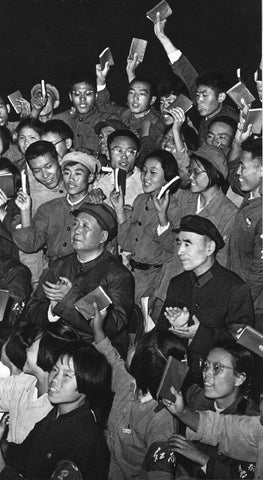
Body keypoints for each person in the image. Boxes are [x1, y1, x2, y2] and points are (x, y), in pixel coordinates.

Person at [23, 202, 135, 357]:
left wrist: (69, 299)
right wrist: (52, 310)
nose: (76, 230)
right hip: (56, 343)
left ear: (103, 237)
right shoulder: (59, 265)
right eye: (75, 224)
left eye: (85, 226)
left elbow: (113, 325)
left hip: (93, 352)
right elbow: (31, 309)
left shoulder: (118, 275)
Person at [92, 306, 186, 480]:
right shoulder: (129, 382)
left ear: (142, 369)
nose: (131, 345)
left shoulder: (162, 419)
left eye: (136, 346)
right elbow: (111, 359)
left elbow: (160, 472)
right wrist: (97, 328)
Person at [157, 215, 254, 382]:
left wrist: (200, 334)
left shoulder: (235, 288)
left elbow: (243, 347)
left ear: (209, 248)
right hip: (176, 375)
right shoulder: (177, 283)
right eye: (179, 243)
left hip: (215, 380)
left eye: (188, 244)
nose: (180, 251)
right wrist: (175, 324)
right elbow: (161, 332)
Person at [0, 341, 110, 480]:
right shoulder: (56, 415)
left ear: (87, 382)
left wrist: (2, 469)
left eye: (67, 376)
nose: (55, 379)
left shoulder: (82, 439)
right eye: (55, 369)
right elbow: (24, 454)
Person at [169, 342, 258, 479]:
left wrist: (203, 459)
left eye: (217, 368)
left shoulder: (251, 419)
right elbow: (167, 380)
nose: (207, 373)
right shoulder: (198, 397)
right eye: (206, 365)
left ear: (239, 378)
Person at [153, 13, 238, 144]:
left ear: (221, 97)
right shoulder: (204, 104)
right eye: (197, 95)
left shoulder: (228, 122)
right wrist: (161, 36)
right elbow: (185, 70)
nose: (198, 100)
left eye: (204, 95)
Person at [111, 149, 182, 303]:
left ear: (167, 179)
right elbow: (126, 244)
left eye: (153, 173)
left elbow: (172, 250)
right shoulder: (140, 200)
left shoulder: (174, 209)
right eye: (144, 171)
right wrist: (119, 209)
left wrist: (162, 217)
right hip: (131, 274)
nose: (145, 177)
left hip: (153, 281)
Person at [11, 151, 99, 263]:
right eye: (67, 173)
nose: (71, 179)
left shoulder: (97, 209)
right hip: (53, 271)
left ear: (90, 177)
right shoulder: (48, 209)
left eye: (78, 174)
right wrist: (25, 210)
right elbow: (30, 245)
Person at [0, 321, 79, 445]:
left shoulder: (57, 410)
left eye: (31, 346)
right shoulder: (26, 381)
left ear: (45, 353)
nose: (26, 349)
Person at [162, 384, 263, 480]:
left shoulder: (249, 413)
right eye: (262, 398)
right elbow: (221, 429)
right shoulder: (258, 429)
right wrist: (182, 412)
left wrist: (203, 459)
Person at [228, 137, 263, 331]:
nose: (239, 172)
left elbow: (260, 271)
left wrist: (240, 304)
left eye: (244, 166)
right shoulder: (251, 192)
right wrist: (238, 143)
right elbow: (233, 176)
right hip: (237, 293)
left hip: (254, 307)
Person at [54, 72, 114, 152]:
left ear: (96, 96)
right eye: (77, 94)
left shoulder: (108, 120)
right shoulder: (62, 119)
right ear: (70, 97)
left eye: (88, 94)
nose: (82, 99)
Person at [91, 129, 143, 207]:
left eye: (130, 152)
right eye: (118, 151)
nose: (124, 156)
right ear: (108, 154)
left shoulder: (144, 183)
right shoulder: (101, 183)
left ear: (136, 156)